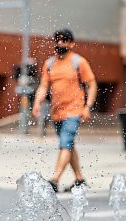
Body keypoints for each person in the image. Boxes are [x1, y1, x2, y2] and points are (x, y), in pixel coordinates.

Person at [32, 29, 97, 192]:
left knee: (65, 143)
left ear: (72, 43)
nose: (60, 43)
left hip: (74, 110)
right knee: (68, 145)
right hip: (56, 113)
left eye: (65, 40)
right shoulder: (50, 63)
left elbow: (92, 84)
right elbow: (43, 86)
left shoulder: (78, 62)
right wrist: (37, 103)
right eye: (58, 40)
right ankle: (80, 179)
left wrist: (88, 106)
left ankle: (54, 180)